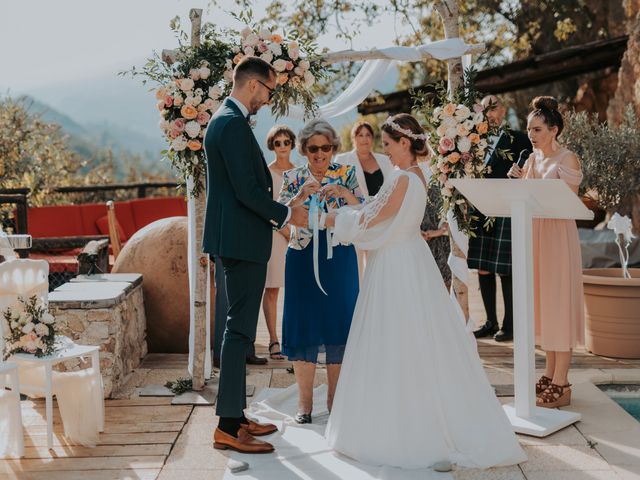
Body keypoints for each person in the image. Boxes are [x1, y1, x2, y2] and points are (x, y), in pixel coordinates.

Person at [324, 113, 526, 469]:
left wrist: (332, 220)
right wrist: (348, 196)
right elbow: (377, 208)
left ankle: (401, 428)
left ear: (405, 143)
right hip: (410, 259)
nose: (384, 151)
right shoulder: (416, 175)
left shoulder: (402, 177)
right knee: (418, 338)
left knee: (394, 339)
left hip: (395, 265)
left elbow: (373, 219)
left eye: (387, 144)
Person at [202, 56, 307, 454]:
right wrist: (286, 213)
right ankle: (227, 427)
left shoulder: (227, 120)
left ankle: (236, 415)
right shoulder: (229, 124)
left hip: (240, 239)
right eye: (268, 91)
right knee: (240, 333)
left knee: (240, 330)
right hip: (240, 242)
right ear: (252, 85)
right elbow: (247, 190)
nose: (267, 99)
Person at [278, 119, 363, 424]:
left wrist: (343, 192)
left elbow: (364, 209)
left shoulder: (347, 173)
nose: (319, 153)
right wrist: (300, 196)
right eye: (313, 148)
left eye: (325, 148)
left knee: (339, 326)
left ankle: (335, 400)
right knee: (304, 327)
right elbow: (279, 215)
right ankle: (304, 404)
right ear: (304, 150)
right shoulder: (293, 176)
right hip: (301, 258)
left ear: (333, 148)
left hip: (339, 257)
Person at [508, 96, 584, 408]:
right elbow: (526, 199)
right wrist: (518, 180)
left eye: (537, 129)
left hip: (557, 236)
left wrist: (534, 184)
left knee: (559, 305)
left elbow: (568, 203)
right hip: (535, 236)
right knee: (544, 306)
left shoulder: (568, 159)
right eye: (529, 129)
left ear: (553, 130)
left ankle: (562, 382)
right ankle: (550, 372)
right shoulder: (530, 161)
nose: (532, 134)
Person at [470, 95, 532, 342]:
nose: (490, 113)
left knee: (505, 269)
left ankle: (509, 325)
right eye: (485, 109)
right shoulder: (471, 139)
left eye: (494, 108)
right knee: (483, 268)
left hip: (506, 208)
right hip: (479, 206)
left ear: (503, 110)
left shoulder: (518, 138)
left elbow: (529, 160)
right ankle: (489, 322)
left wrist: (520, 168)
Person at [263, 125, 296, 360]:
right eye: (278, 143)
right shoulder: (266, 173)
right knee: (272, 288)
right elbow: (263, 207)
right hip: (274, 235)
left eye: (286, 142)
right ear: (272, 146)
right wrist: (282, 229)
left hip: (298, 235)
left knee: (296, 289)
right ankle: (273, 340)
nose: (282, 146)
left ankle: (293, 338)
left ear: (293, 144)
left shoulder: (300, 172)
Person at [334, 120, 393, 198]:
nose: (364, 139)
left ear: (372, 138)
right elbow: (336, 189)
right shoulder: (342, 160)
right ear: (353, 138)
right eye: (360, 135)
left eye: (368, 135)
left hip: (386, 207)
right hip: (357, 208)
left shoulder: (386, 160)